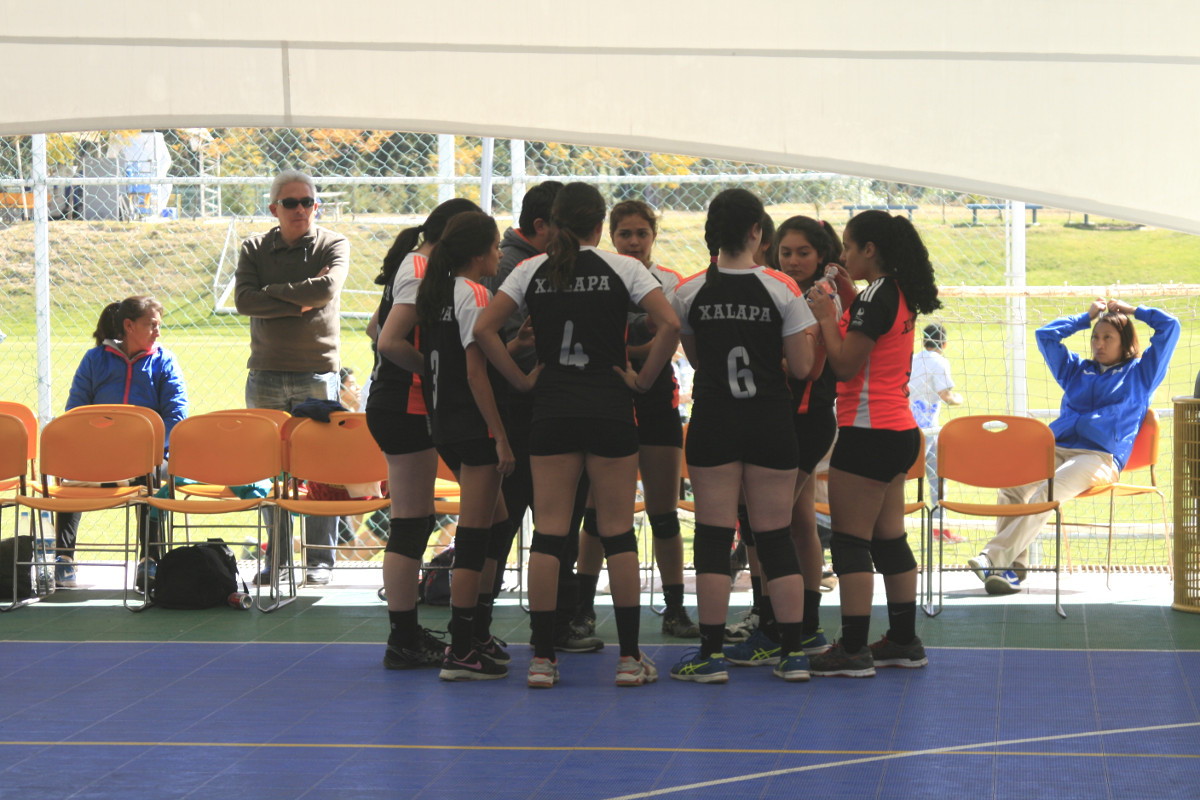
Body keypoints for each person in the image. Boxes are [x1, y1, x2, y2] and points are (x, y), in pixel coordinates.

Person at [474, 182, 681, 688]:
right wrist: (645, 379)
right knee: (616, 532)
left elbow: (483, 329)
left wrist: (522, 379)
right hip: (610, 409)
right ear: (598, 224)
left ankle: (543, 659)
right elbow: (671, 324)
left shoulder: (530, 269)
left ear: (555, 223)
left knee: (549, 533)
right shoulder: (624, 268)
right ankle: (630, 659)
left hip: (552, 411)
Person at [667, 189, 816, 684]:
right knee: (774, 536)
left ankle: (709, 655)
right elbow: (802, 367)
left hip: (714, 421)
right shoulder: (782, 288)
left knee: (712, 536)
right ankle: (793, 653)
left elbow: (694, 356)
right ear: (758, 232)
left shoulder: (688, 291)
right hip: (771, 422)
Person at [807, 209, 942, 678]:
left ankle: (852, 647)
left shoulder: (875, 298)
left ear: (870, 250)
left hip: (868, 434)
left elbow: (844, 364)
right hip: (901, 433)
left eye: (848, 247)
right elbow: (871, 332)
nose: (842, 255)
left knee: (849, 543)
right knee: (889, 539)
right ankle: (904, 640)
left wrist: (826, 314)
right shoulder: (896, 292)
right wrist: (847, 298)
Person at [967, 299, 1180, 594]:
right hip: (1058, 448)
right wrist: (1085, 317)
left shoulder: (1142, 374)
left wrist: (1132, 311)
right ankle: (1012, 571)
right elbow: (1045, 335)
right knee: (1011, 485)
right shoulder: (1076, 370)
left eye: (1108, 338)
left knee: (1047, 492)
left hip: (1100, 457)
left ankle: (992, 557)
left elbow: (1171, 326)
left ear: (1125, 341)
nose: (1099, 344)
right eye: (1095, 336)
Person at [722, 216, 854, 667]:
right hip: (786, 421)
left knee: (769, 525)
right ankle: (802, 626)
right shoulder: (782, 290)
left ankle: (781, 628)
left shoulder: (818, 299)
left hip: (805, 422)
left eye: (804, 253)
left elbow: (810, 368)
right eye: (786, 252)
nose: (794, 260)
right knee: (797, 522)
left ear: (821, 257)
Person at [478, 182, 602, 654]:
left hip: (539, 411)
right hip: (529, 414)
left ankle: (512, 627)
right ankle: (546, 627)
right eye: (564, 228)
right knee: (543, 525)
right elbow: (498, 339)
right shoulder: (520, 269)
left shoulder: (533, 265)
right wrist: (526, 378)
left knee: (546, 525)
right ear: (542, 227)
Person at [574, 200, 699, 640]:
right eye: (624, 233)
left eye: (641, 233)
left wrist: (633, 354)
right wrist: (639, 349)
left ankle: (675, 608)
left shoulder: (669, 282)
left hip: (654, 402)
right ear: (610, 236)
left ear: (653, 237)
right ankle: (582, 609)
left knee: (664, 514)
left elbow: (671, 342)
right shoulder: (597, 276)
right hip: (604, 402)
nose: (633, 241)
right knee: (597, 514)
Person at [369, 197, 481, 670]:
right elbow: (389, 338)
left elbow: (376, 326)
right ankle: (404, 635)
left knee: (415, 518)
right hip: (406, 405)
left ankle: (410, 632)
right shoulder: (421, 268)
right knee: (411, 521)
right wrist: (436, 375)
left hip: (402, 402)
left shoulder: (415, 265)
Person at [234, 169, 349, 587]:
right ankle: (277, 558)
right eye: (291, 203)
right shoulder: (253, 247)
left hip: (316, 371)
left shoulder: (333, 243)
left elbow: (324, 291)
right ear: (274, 209)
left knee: (322, 468)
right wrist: (296, 297)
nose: (300, 209)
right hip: (264, 372)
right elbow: (244, 301)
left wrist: (274, 293)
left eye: (307, 202)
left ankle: (320, 561)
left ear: (316, 206)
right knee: (269, 470)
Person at [413, 210, 515, 680]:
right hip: (471, 424)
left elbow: (454, 360)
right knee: (474, 535)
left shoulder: (436, 293)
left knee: (497, 521)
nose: (500, 255)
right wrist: (500, 435)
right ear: (479, 254)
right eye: (495, 248)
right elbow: (475, 373)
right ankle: (460, 646)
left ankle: (474, 631)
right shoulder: (475, 293)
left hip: (444, 422)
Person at [55, 296, 188, 589]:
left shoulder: (164, 361)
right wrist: (102, 446)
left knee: (151, 476)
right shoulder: (94, 360)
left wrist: (143, 449)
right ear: (129, 326)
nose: (157, 332)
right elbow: (75, 413)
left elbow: (176, 418)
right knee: (69, 469)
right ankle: (63, 560)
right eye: (151, 325)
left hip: (148, 458)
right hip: (99, 457)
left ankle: (149, 561)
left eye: (158, 325)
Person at [908, 322, 964, 541]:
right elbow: (945, 395)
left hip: (911, 424)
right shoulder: (940, 362)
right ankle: (939, 529)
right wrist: (958, 399)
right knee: (931, 477)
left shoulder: (914, 359)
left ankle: (941, 529)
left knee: (936, 476)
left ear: (923, 341)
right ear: (944, 343)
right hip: (927, 429)